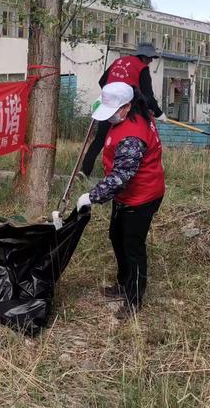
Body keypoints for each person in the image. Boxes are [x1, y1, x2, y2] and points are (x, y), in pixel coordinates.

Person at [77, 82, 165, 320]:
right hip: (127, 195)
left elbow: (121, 177)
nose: (109, 117)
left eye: (113, 111)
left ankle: (133, 299)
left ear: (127, 107)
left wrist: (92, 196)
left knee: (132, 246)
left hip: (142, 195)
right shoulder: (133, 113)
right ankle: (123, 283)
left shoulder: (133, 135)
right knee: (116, 235)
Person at [80, 42, 167, 177]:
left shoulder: (118, 61)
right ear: (144, 56)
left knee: (99, 140)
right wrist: (159, 113)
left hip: (108, 107)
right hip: (126, 111)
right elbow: (148, 97)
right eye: (150, 58)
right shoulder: (142, 68)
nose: (151, 61)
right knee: (128, 140)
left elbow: (102, 81)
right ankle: (123, 174)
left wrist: (110, 94)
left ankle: (84, 172)